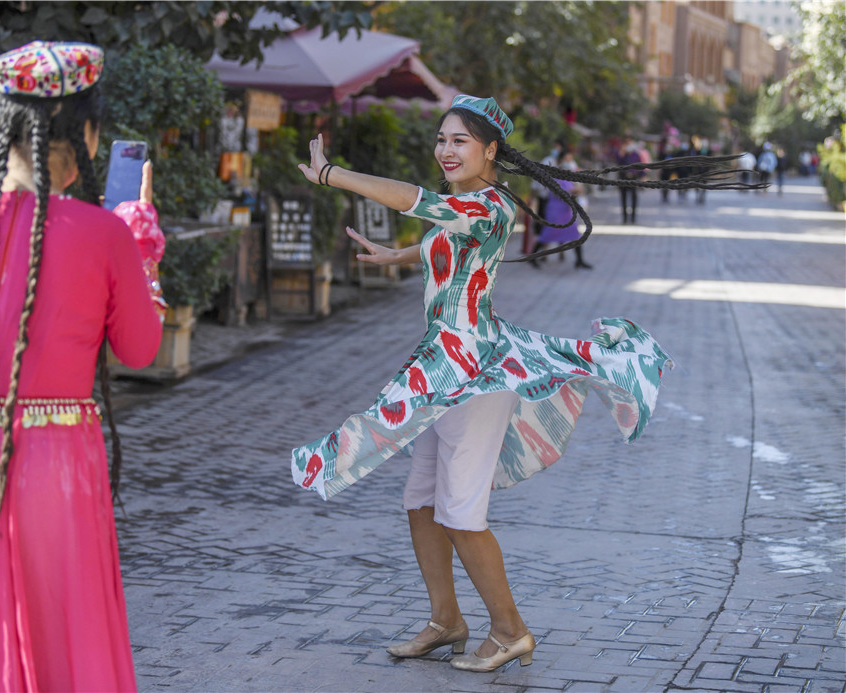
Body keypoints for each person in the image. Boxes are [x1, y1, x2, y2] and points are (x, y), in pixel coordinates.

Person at [290, 94, 681, 672]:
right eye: (442, 139)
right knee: (421, 504)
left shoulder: (491, 205)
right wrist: (393, 256)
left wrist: (333, 174)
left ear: (490, 150)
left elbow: (416, 203)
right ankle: (446, 620)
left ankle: (510, 631)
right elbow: (445, 245)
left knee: (460, 512)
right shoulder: (466, 204)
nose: (445, 150)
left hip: (475, 370)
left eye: (459, 141)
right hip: (443, 365)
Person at [0, 41, 166, 691]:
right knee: (60, 631)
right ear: (87, 132)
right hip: (56, 466)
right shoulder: (107, 234)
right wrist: (144, 251)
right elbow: (142, 349)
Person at [530, 148, 592, 269]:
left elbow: (572, 189)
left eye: (570, 159)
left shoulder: (567, 175)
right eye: (566, 159)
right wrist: (575, 190)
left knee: (575, 235)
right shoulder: (555, 175)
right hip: (555, 211)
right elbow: (560, 190)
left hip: (566, 211)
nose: (569, 162)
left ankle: (579, 260)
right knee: (547, 234)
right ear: (560, 160)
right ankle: (532, 257)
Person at [616, 136, 645, 223]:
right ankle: (624, 218)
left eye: (630, 143)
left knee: (634, 198)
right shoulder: (622, 154)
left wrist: (642, 176)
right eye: (626, 143)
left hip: (633, 178)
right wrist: (621, 153)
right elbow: (617, 162)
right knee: (623, 198)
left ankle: (633, 218)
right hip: (623, 178)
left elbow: (640, 166)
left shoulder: (636, 154)